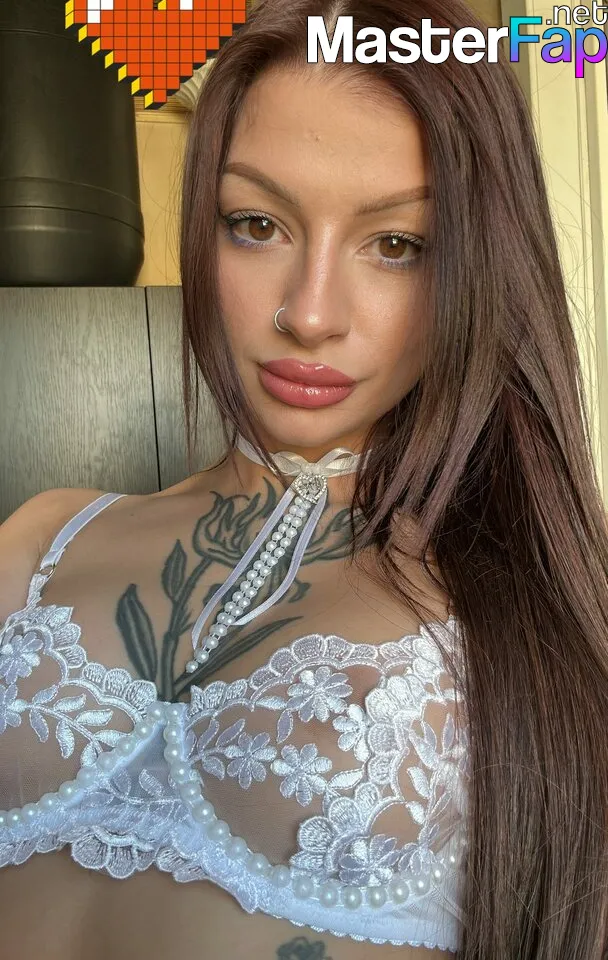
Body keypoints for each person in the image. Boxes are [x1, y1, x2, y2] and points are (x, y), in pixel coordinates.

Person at [1, 0, 608, 957]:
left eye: (397, 244)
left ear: (480, 269)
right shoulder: (40, 539)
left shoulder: (531, 628)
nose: (310, 313)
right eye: (256, 224)